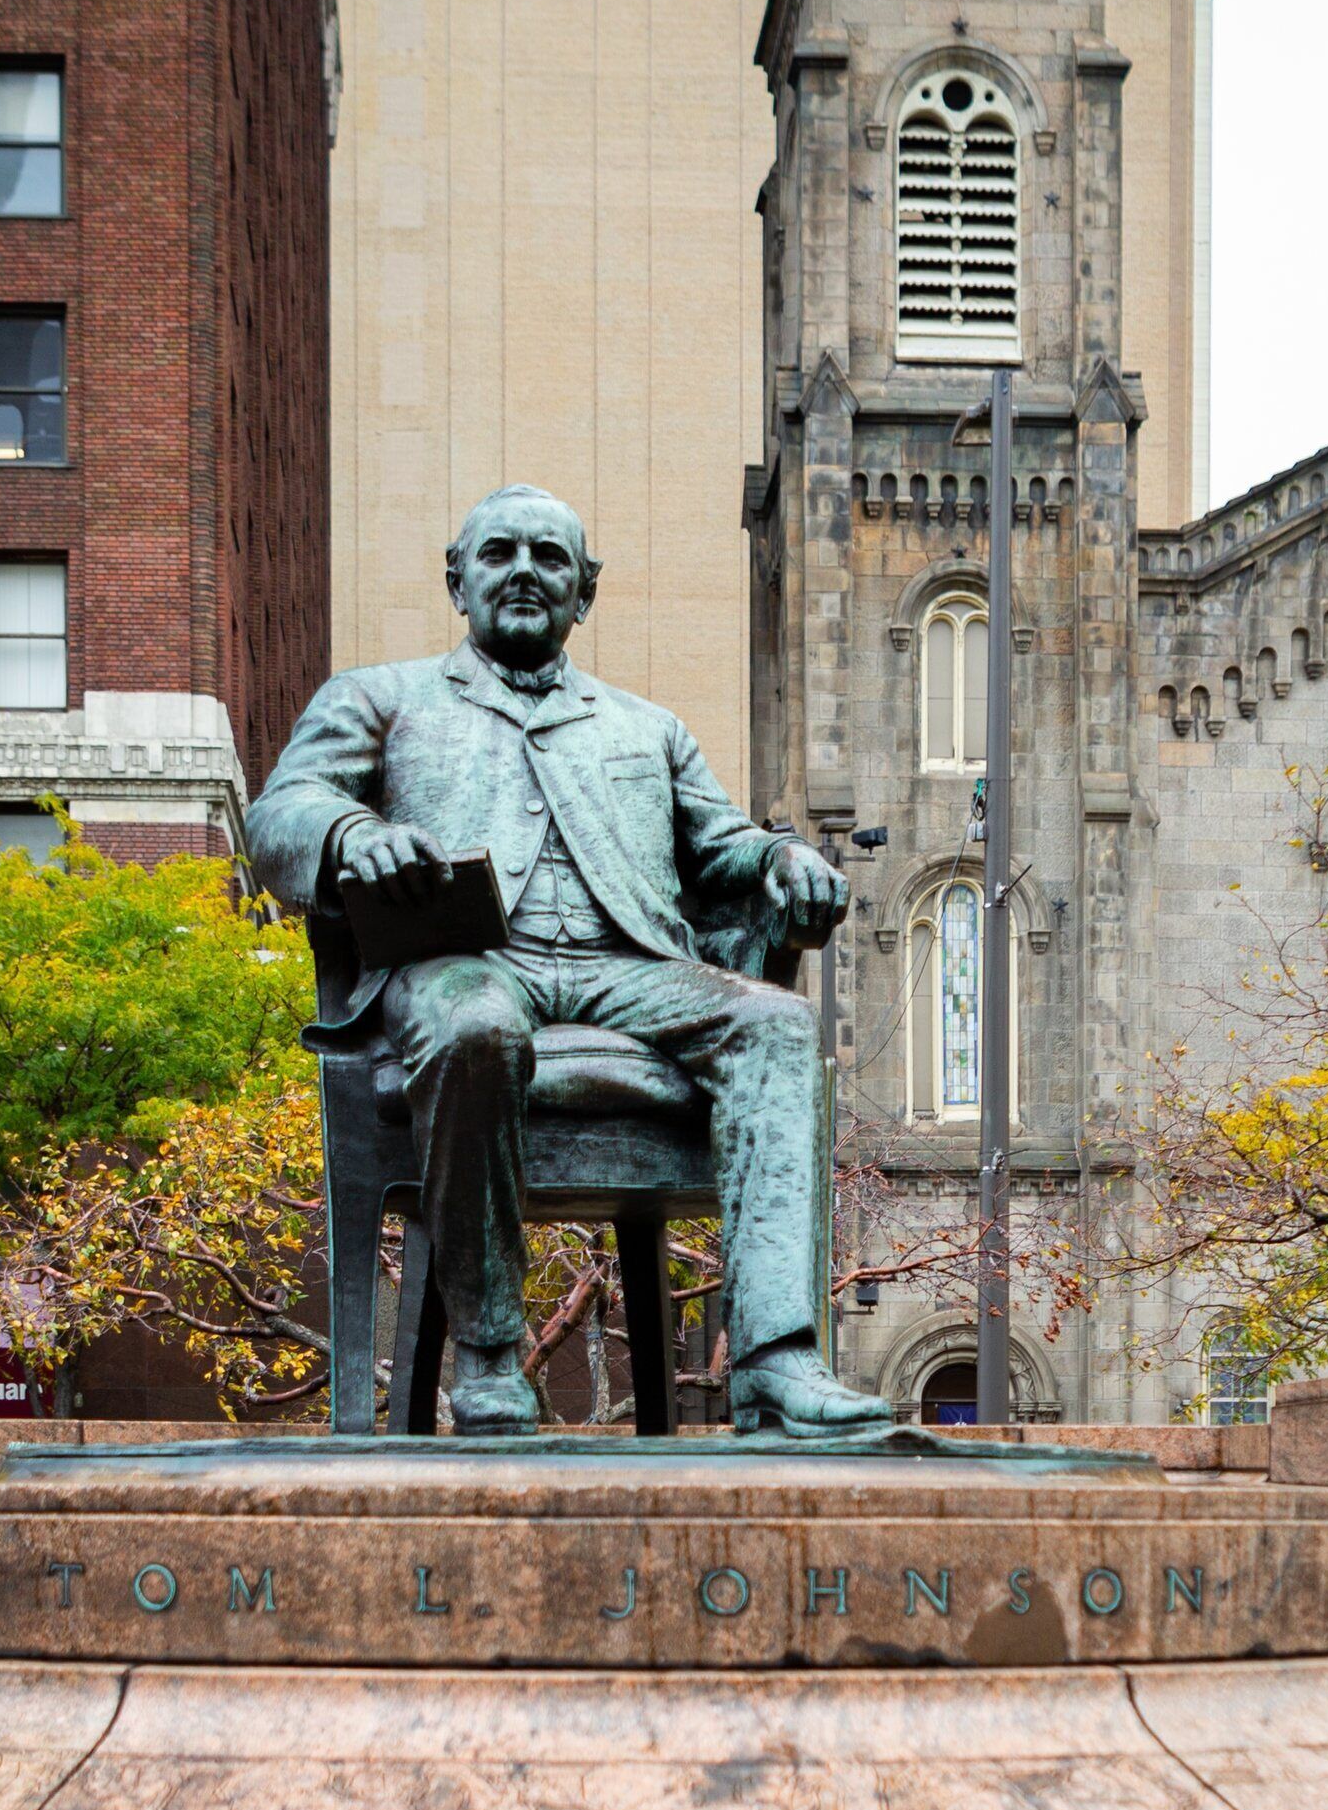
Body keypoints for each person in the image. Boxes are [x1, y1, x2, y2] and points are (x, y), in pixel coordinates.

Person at [251, 486, 890, 1439]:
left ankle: (774, 1363)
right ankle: (488, 1356)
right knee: (475, 1025)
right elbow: (280, 814)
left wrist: (781, 858)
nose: (523, 571)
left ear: (584, 594)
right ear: (456, 581)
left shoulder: (648, 728)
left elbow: (724, 846)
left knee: (779, 1026)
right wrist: (351, 833)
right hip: (467, 961)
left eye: (550, 558)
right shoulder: (380, 697)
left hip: (627, 972)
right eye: (499, 553)